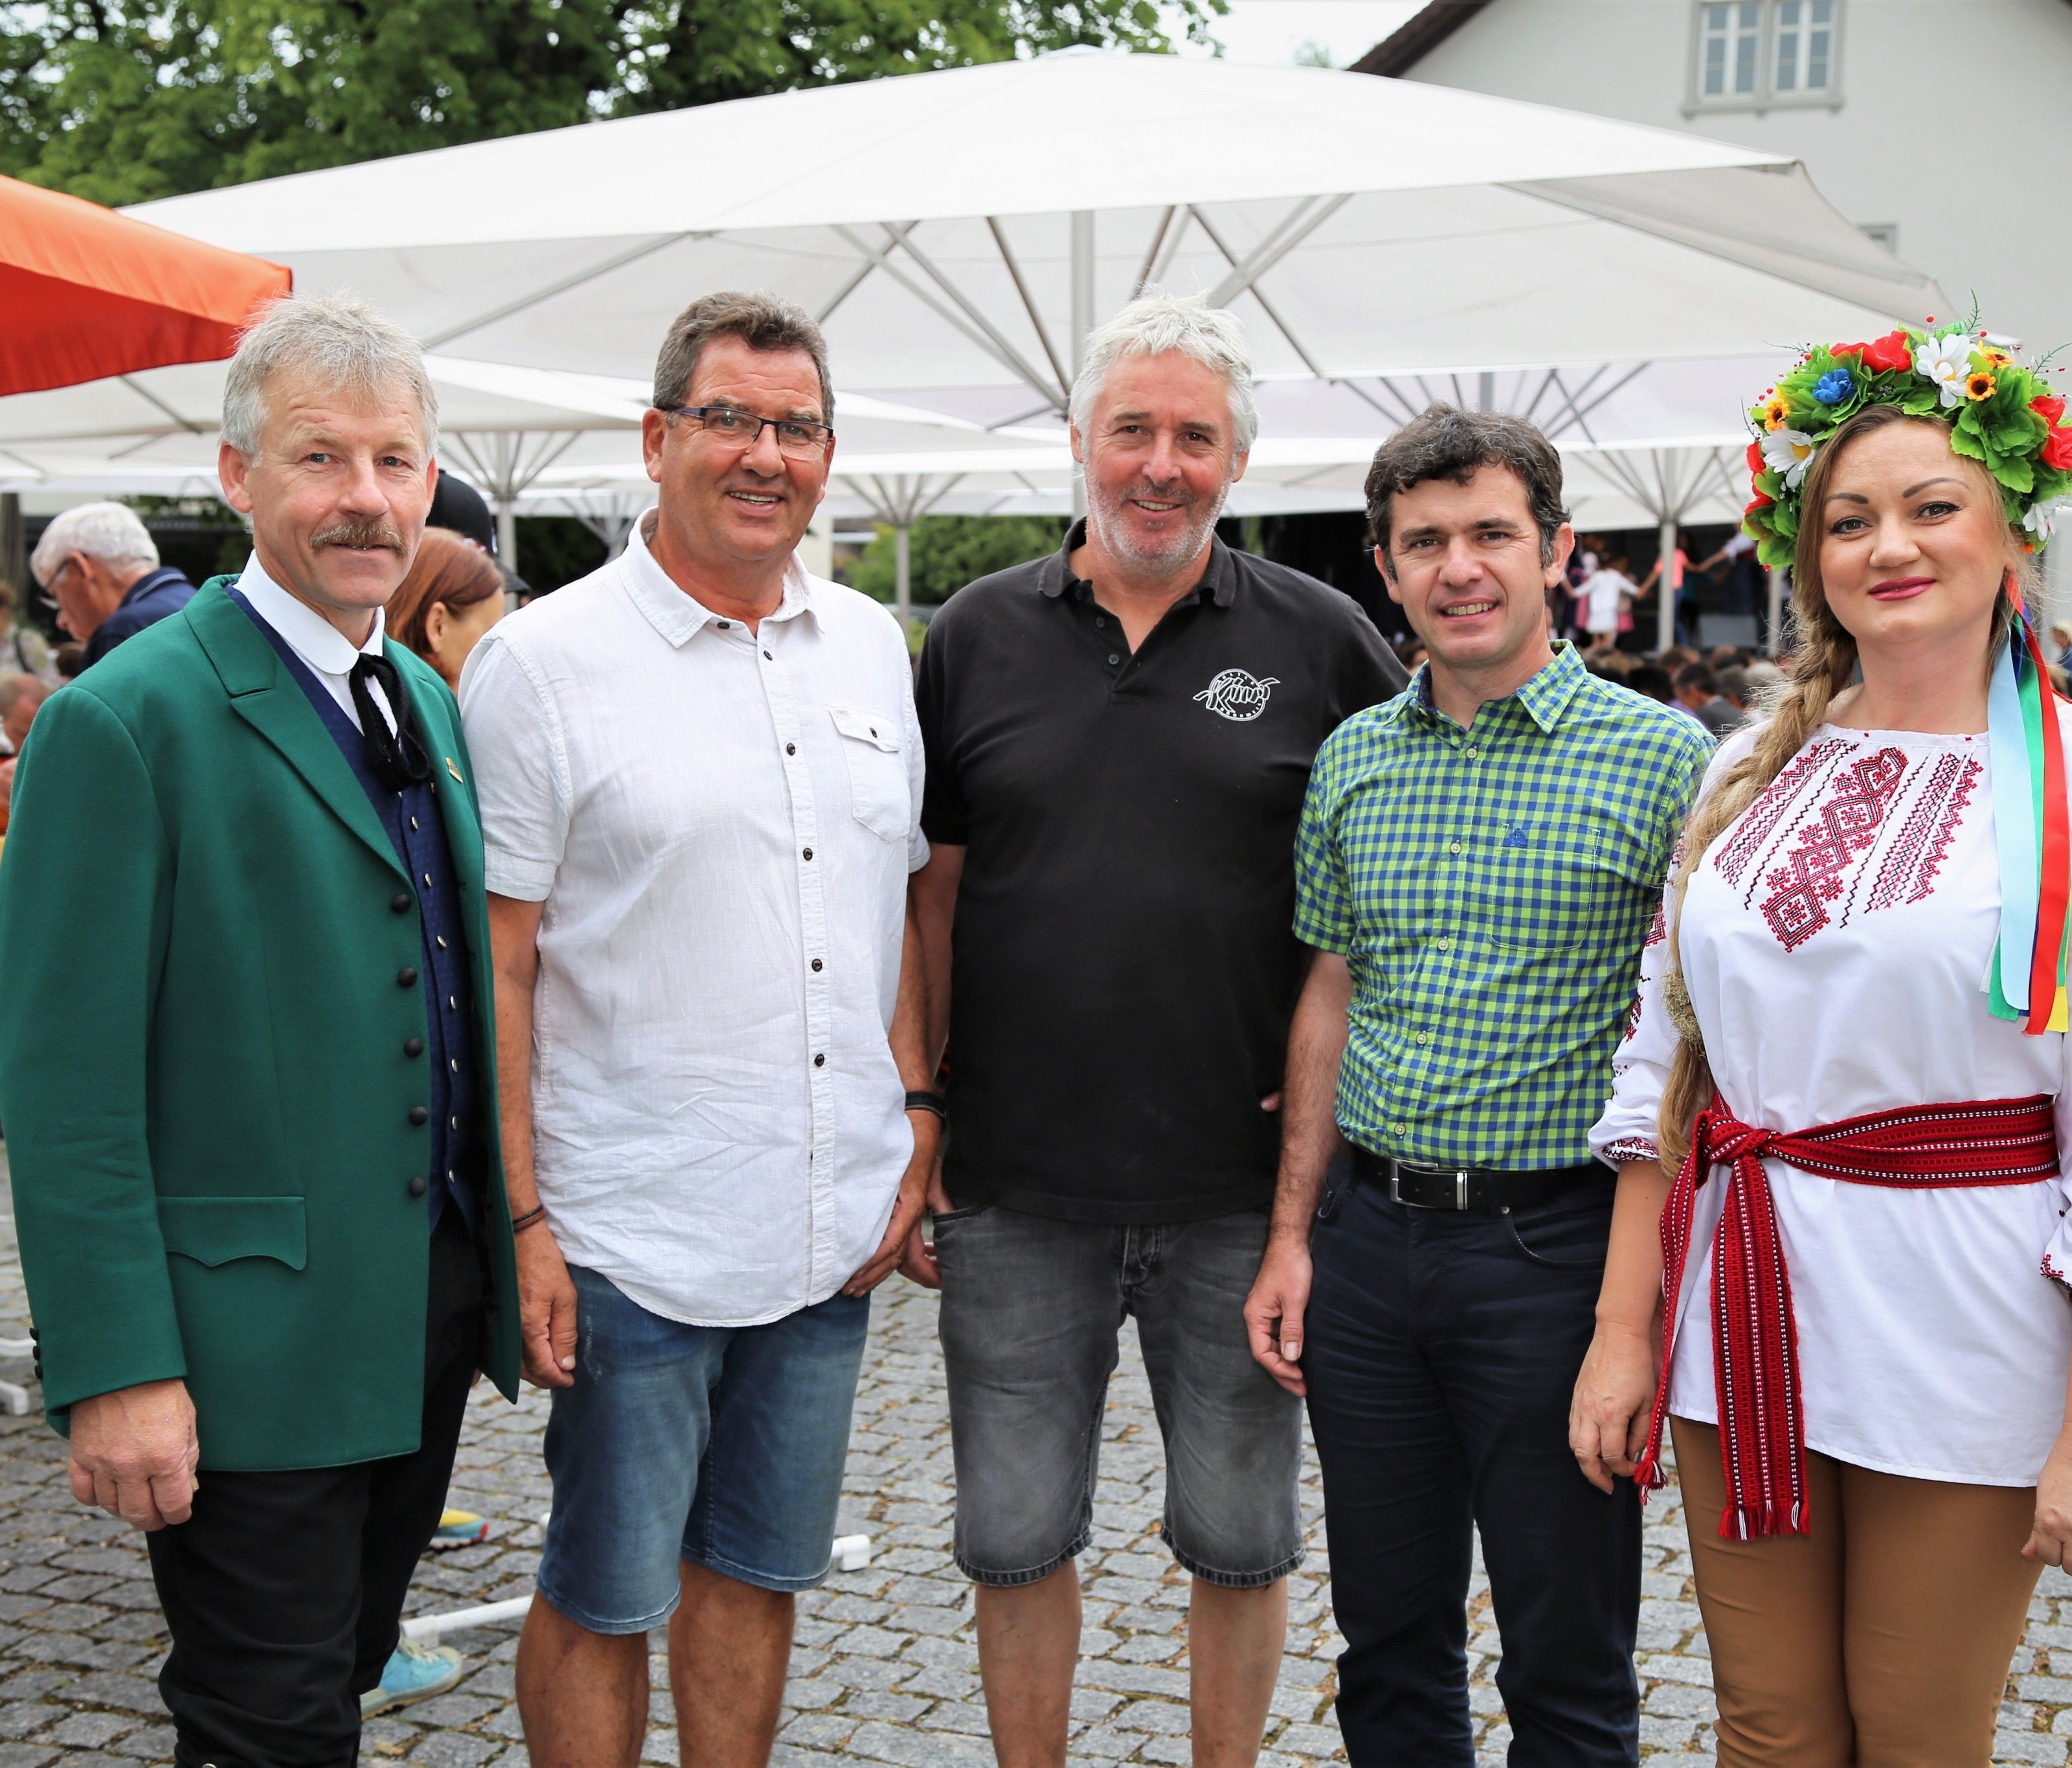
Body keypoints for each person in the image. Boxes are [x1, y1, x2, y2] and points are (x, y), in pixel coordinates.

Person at [0, 292, 522, 1756]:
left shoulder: (415, 687)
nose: (363, 497)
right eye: (321, 458)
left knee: (336, 1676)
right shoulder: (126, 718)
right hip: (238, 1344)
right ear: (237, 476)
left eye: (394, 462)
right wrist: (113, 1366)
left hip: (413, 1324)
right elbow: (65, 1084)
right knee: (265, 1719)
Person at [908, 293, 1404, 1768]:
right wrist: (925, 1109)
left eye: (1195, 436)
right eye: (1134, 429)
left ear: (1236, 463)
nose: (1161, 464)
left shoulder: (1322, 641)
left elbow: (1390, 886)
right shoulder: (975, 635)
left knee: (1242, 1538)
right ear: (1078, 443)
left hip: (1241, 1201)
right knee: (1009, 1536)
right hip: (1011, 1188)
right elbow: (928, 902)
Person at [1571, 324, 2072, 1767]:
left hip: (1963, 1327)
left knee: (1916, 1733)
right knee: (1770, 1729)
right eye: (1847, 519)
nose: (1887, 546)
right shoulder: (1747, 761)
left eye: (1930, 509)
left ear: (2005, 543)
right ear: (1810, 561)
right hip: (1746, 1309)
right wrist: (1619, 1335)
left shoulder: (2060, 783)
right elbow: (1660, 1059)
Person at [460, 290, 936, 1768]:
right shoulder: (540, 663)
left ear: (829, 454)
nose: (763, 453)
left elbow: (892, 908)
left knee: (756, 1572)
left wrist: (915, 1116)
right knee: (604, 1592)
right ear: (658, 438)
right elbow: (501, 966)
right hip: (627, 1232)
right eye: (728, 418)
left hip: (824, 1221)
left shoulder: (869, 648)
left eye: (794, 427)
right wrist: (526, 1215)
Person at [1244, 403, 1712, 1765]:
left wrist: (1639, 1305)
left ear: (1556, 549)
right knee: (1387, 1646)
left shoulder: (1667, 762)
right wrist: (1290, 1233)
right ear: (1382, 568)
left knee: (1566, 1660)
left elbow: (1694, 1038)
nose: (1459, 567)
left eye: (1490, 533)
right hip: (1371, 1247)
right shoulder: (1353, 759)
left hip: (1557, 1251)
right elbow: (1329, 990)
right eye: (1423, 541)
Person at [28, 501, 194, 667]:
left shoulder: (120, 633)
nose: (61, 621)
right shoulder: (196, 601)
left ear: (79, 568)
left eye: (56, 595)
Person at [385, 527, 505, 689]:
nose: (498, 653)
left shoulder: (370, 696)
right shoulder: (429, 711)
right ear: (438, 626)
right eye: (489, 634)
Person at [1579, 554, 1638, 655]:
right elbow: (1636, 591)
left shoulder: (1597, 577)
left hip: (1598, 614)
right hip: (1607, 614)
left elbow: (1576, 593)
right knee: (1607, 645)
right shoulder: (1615, 576)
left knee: (1598, 645)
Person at [1671, 660, 1741, 735]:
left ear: (1693, 692)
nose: (1683, 705)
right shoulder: (1734, 711)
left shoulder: (1704, 716)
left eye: (1682, 699)